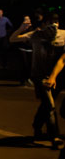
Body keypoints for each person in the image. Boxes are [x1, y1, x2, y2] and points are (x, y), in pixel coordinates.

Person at [10, 13, 65, 147]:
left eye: (56, 22)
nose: (54, 25)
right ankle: (54, 136)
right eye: (51, 22)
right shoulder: (35, 35)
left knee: (46, 105)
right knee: (50, 105)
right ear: (44, 24)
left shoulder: (63, 35)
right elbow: (13, 39)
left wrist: (53, 76)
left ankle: (37, 125)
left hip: (57, 75)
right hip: (39, 75)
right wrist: (22, 29)